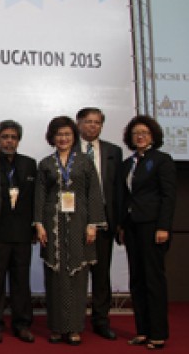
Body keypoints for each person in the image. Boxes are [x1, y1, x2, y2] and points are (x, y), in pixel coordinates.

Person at [34, 116, 104, 345]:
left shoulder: (84, 162)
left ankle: (74, 328)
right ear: (52, 137)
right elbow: (40, 195)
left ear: (74, 136)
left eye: (67, 134)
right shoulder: (45, 163)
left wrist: (93, 224)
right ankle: (56, 327)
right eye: (58, 135)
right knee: (54, 276)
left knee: (77, 274)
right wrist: (39, 224)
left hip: (78, 224)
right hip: (52, 225)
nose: (63, 138)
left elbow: (93, 193)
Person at [118, 115, 176, 350]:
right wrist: (121, 225)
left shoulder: (162, 160)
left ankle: (158, 333)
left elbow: (168, 196)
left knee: (153, 279)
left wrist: (164, 226)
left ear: (153, 135)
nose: (139, 136)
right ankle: (142, 330)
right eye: (135, 134)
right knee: (137, 279)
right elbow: (124, 197)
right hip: (131, 226)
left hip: (153, 226)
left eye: (144, 132)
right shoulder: (127, 164)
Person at [0, 120, 37, 343]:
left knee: (21, 282)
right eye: (5, 137)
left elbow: (36, 198)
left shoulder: (29, 164)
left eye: (13, 137)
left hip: (23, 234)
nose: (9, 141)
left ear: (18, 140)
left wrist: (36, 226)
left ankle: (22, 324)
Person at [76, 107, 123, 340]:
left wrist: (120, 222)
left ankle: (101, 321)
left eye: (97, 122)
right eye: (88, 121)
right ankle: (74, 319)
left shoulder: (114, 152)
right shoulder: (68, 150)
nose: (92, 126)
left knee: (101, 274)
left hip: (103, 220)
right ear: (78, 124)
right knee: (76, 273)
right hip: (74, 221)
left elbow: (119, 190)